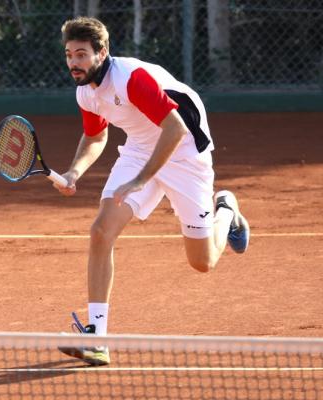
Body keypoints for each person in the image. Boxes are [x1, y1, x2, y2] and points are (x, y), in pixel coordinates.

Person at [56, 17, 250, 366]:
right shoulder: (85, 92)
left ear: (102, 52)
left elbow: (173, 130)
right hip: (141, 147)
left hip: (186, 148)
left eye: (82, 54)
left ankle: (226, 211)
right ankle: (97, 338)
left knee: (202, 262)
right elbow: (96, 135)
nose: (73, 63)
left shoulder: (130, 78)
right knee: (101, 231)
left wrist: (140, 180)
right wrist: (74, 171)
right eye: (69, 54)